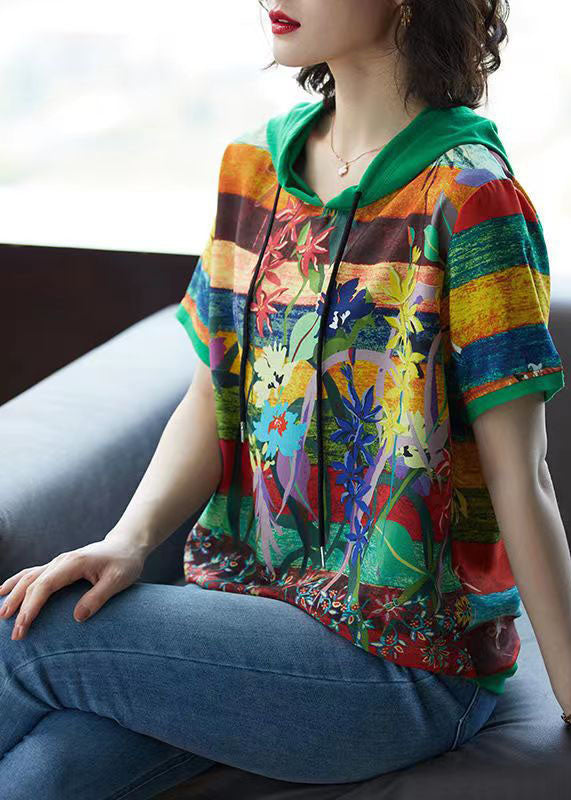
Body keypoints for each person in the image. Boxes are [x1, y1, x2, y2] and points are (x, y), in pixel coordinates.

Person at [1, 0, 568, 796]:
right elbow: (215, 394)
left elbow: (521, 473)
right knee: (43, 777)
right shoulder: (254, 170)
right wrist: (128, 541)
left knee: (28, 635)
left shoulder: (471, 198)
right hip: (248, 621)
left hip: (401, 665)